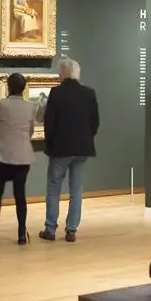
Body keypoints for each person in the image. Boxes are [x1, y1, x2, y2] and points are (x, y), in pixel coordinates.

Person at [40, 58, 99, 242]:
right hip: (82, 148)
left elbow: (49, 122)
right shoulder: (89, 93)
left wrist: (49, 142)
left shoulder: (56, 93)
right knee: (76, 189)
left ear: (62, 74)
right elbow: (95, 122)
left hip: (60, 149)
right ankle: (72, 229)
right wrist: (86, 138)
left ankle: (50, 228)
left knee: (53, 187)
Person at [0, 73, 36, 246]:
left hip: (3, 156)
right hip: (23, 157)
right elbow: (31, 131)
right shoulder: (30, 106)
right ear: (24, 87)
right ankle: (21, 234)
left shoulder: (1, 105)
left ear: (8, 86)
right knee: (20, 196)